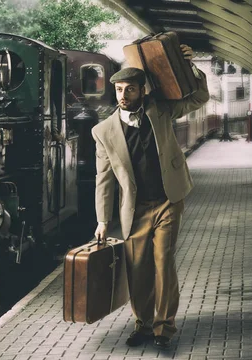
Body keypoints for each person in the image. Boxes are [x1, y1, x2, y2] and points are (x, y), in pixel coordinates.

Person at [91, 44, 209, 349]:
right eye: (118, 89)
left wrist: (189, 68)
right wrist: (103, 220)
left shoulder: (161, 109)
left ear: (142, 91)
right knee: (138, 267)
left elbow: (199, 97)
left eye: (130, 89)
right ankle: (142, 325)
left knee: (163, 262)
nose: (123, 95)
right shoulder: (103, 132)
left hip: (169, 200)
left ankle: (164, 327)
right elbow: (103, 178)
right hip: (135, 209)